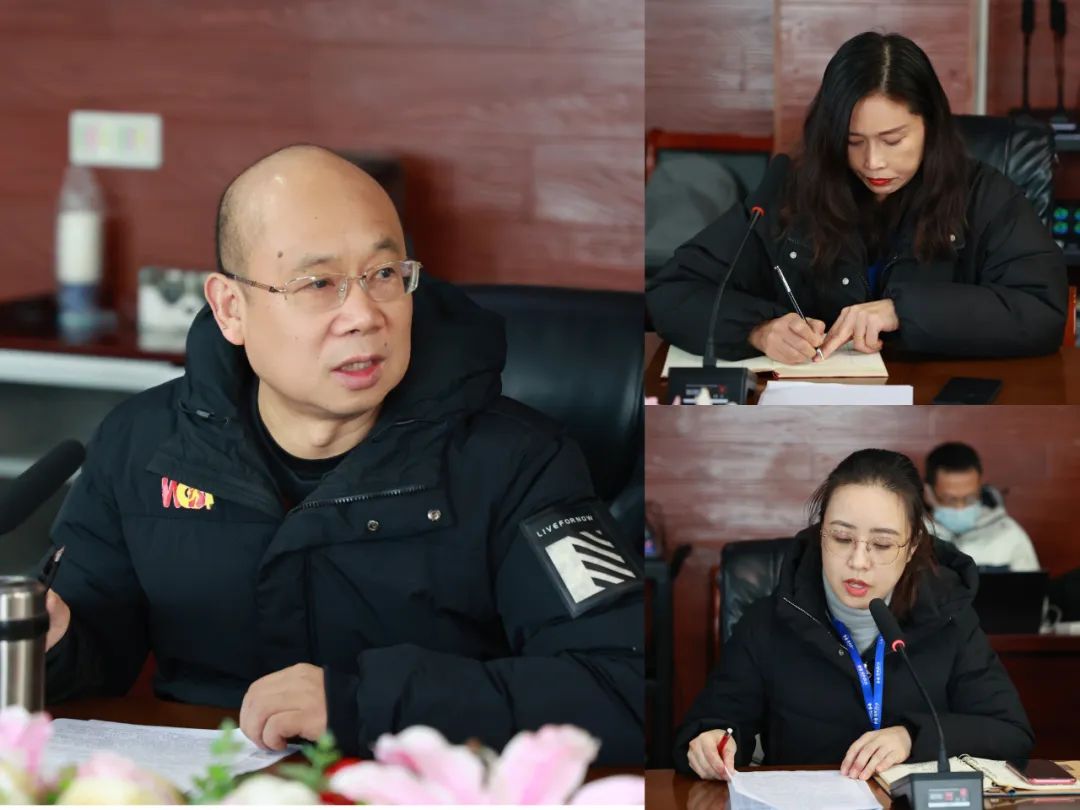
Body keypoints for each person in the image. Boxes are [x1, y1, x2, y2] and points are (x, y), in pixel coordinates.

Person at [42, 144, 644, 764]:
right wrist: (48, 642)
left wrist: (366, 704)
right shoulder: (144, 445)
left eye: (384, 275)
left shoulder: (519, 462)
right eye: (318, 284)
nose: (363, 316)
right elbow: (89, 661)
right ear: (230, 308)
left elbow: (620, 689)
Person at [647, 32, 1067, 363]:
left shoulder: (983, 194)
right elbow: (673, 290)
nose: (873, 162)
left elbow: (1042, 311)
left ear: (932, 126)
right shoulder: (792, 192)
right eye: (853, 141)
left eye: (893, 140)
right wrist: (757, 330)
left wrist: (902, 311)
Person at [676, 449, 1032, 782]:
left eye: (882, 544)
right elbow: (709, 725)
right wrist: (711, 742)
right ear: (821, 535)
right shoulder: (767, 623)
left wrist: (913, 736)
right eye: (842, 538)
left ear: (912, 547)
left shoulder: (949, 619)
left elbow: (1011, 735)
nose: (858, 562)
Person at [924, 442, 1040, 572]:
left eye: (970, 498)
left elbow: (1031, 584)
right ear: (928, 493)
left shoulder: (1009, 533)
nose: (961, 507)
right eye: (950, 500)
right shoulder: (913, 535)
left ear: (979, 488)